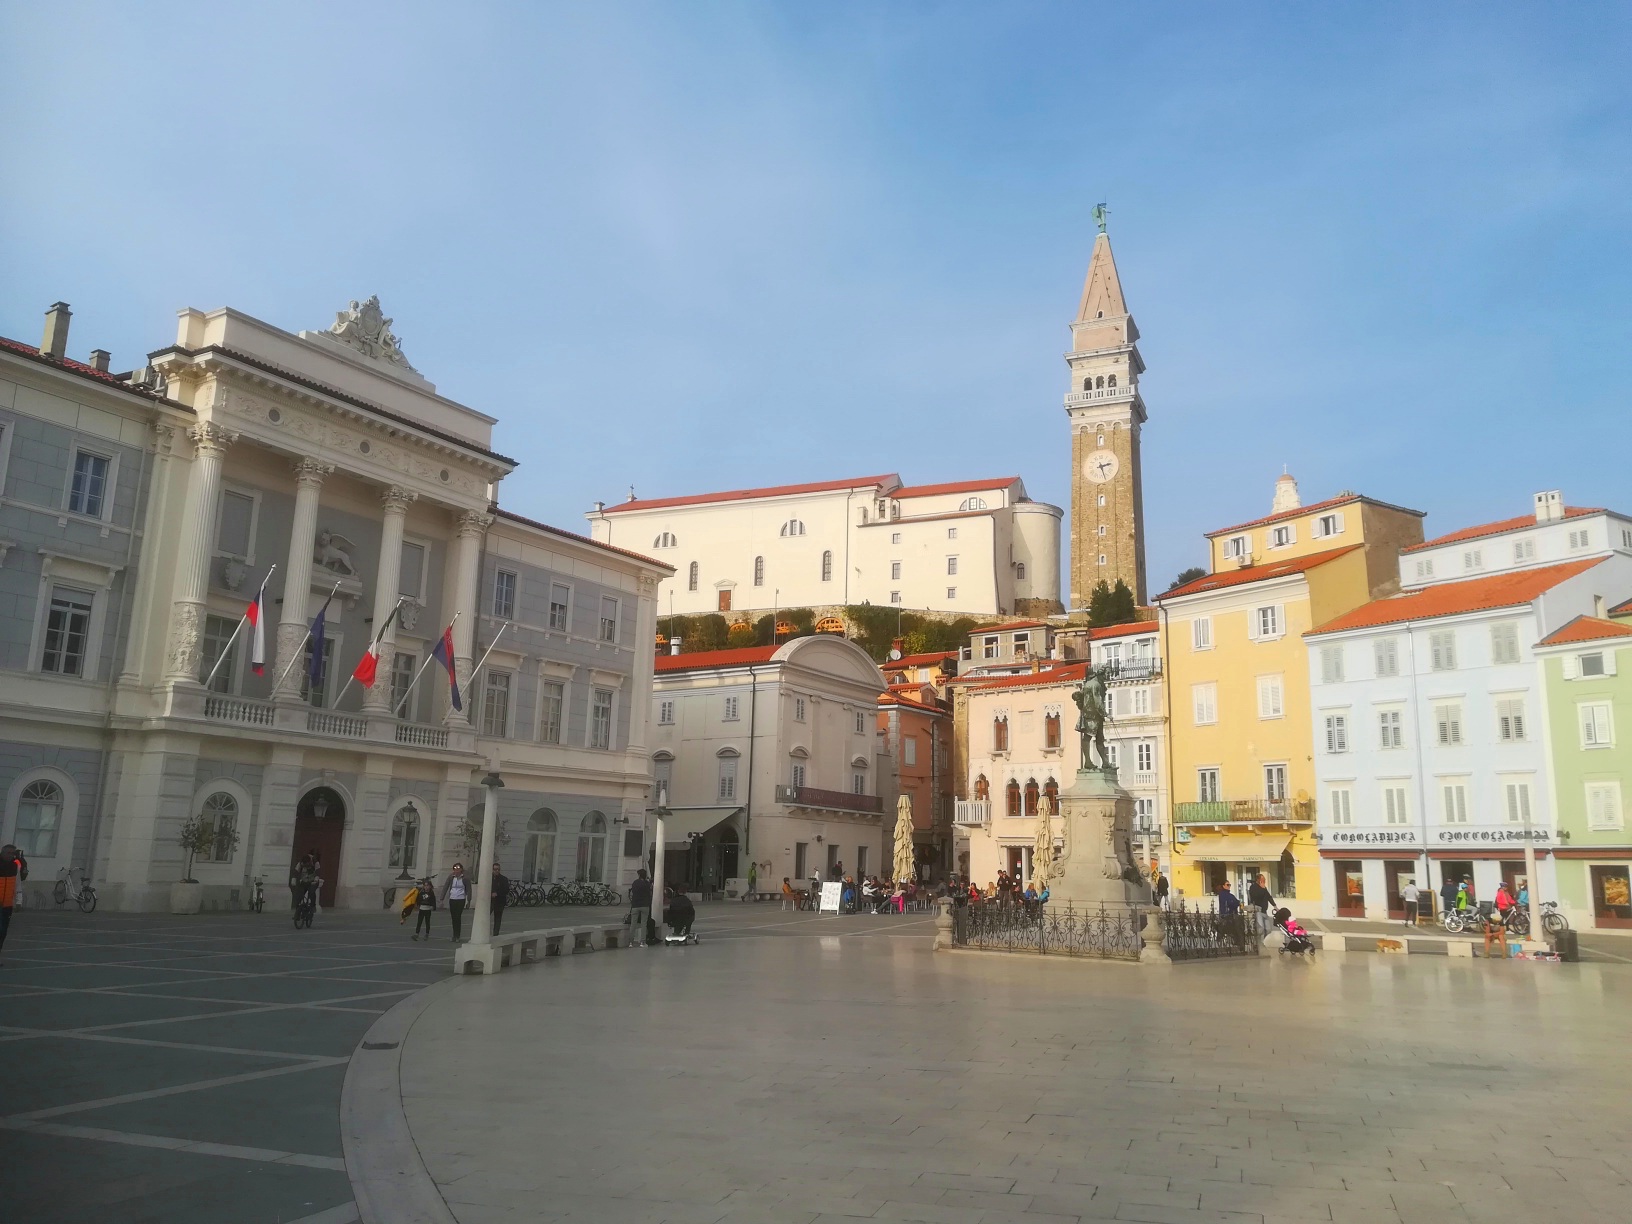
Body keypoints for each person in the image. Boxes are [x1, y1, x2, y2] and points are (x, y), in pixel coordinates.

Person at [0, 843, 27, 962]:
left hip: (7, 906)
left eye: (13, 853)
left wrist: (19, 901)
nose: (10, 855)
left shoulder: (15, 867)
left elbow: (18, 884)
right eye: (8, 853)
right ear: (2, 853)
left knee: (3, 932)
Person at [439, 863, 470, 941]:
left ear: (461, 870)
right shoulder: (451, 877)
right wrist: (441, 899)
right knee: (453, 918)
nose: (456, 871)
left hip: (461, 899)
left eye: (458, 869)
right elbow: (446, 886)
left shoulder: (465, 878)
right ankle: (454, 935)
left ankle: (457, 935)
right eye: (455, 869)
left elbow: (469, 889)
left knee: (458, 916)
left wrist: (468, 900)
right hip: (452, 899)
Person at [629, 869, 654, 945]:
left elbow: (633, 892)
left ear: (639, 875)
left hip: (635, 905)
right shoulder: (647, 883)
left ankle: (631, 942)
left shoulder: (635, 882)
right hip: (645, 905)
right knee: (644, 924)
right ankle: (643, 942)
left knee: (633, 924)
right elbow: (650, 893)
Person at [1247, 874, 1276, 939]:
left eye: (1264, 879)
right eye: (1263, 879)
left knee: (1268, 929)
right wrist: (1263, 889)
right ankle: (1260, 943)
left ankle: (1265, 941)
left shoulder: (1264, 888)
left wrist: (1274, 905)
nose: (1264, 881)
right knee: (1261, 929)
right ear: (1259, 880)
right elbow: (1256, 896)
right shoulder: (1253, 887)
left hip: (1264, 911)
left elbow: (1269, 897)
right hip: (1258, 911)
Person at [411, 875, 436, 941]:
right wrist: (416, 904)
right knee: (419, 921)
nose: (426, 887)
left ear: (430, 886)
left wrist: (433, 906)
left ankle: (427, 933)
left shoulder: (431, 893)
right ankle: (417, 933)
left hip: (428, 909)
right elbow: (418, 898)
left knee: (427, 922)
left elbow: (433, 900)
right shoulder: (421, 892)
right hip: (422, 908)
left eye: (427, 885)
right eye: (425, 885)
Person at [489, 862, 509, 936]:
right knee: (486, 916)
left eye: (498, 869)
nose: (497, 871)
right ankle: (485, 932)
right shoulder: (489, 878)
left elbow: (506, 890)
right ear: (492, 870)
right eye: (495, 869)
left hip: (500, 901)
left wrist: (497, 893)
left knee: (497, 918)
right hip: (490, 901)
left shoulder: (503, 879)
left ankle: (495, 933)